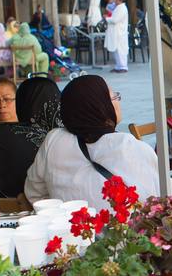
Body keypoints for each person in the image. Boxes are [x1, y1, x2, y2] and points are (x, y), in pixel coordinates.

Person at [24, 74, 161, 205]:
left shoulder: (54, 140)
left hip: (70, 227)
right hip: (124, 229)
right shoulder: (132, 147)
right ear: (102, 106)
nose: (118, 101)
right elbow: (167, 199)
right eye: (114, 97)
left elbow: (34, 193)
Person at [0, 77, 62, 199]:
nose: (2, 105)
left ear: (20, 102)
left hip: (6, 212)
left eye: (7, 99)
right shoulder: (69, 138)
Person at [105, 0, 130, 73]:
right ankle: (118, 66)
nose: (115, 0)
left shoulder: (122, 8)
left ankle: (123, 66)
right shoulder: (118, 7)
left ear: (120, 0)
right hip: (116, 33)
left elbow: (115, 20)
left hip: (120, 33)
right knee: (116, 49)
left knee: (121, 50)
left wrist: (107, 18)